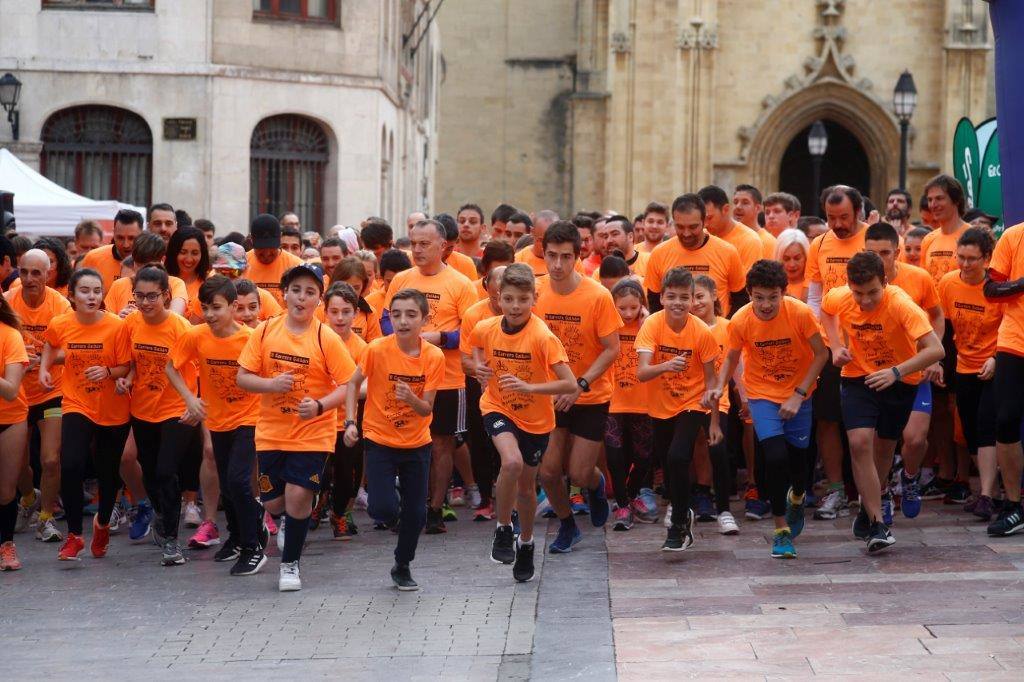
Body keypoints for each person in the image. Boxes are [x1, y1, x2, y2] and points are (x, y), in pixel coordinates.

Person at [238, 263, 356, 591]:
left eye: (310, 292)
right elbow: (242, 377)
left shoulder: (325, 337)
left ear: (319, 300)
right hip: (271, 430)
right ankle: (282, 522)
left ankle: (290, 565)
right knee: (275, 503)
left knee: (298, 494)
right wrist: (271, 385)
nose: (302, 298)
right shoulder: (264, 331)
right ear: (284, 294)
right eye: (296, 290)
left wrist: (319, 406)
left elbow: (349, 384)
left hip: (313, 432)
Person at [820, 252, 944, 552]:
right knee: (859, 442)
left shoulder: (901, 304)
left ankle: (868, 507)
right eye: (858, 293)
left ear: (885, 282)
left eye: (872, 292)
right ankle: (877, 523)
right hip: (858, 376)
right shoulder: (840, 296)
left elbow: (936, 350)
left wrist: (896, 372)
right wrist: (836, 346)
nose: (864, 301)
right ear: (849, 285)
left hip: (901, 381)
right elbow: (826, 311)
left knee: (885, 448)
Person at [710, 260, 828, 557]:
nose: (765, 305)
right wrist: (719, 386)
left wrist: (798, 394)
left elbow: (821, 354)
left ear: (783, 293)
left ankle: (798, 497)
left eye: (772, 297)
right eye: (759, 297)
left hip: (799, 394)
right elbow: (731, 359)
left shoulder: (800, 313)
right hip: (762, 394)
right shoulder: (740, 320)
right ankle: (781, 530)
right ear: (749, 293)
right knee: (774, 458)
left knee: (799, 466)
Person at [470, 263, 575, 581]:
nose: (515, 306)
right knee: (511, 462)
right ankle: (503, 528)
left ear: (534, 300)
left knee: (527, 490)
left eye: (523, 300)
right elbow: (474, 347)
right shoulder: (487, 328)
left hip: (537, 419)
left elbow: (569, 383)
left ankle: (526, 543)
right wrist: (479, 368)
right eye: (509, 299)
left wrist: (532, 388)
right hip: (497, 406)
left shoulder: (543, 336)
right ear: (499, 298)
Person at [342, 288, 445, 591]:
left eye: (411, 315)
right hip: (379, 438)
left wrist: (411, 398)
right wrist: (350, 422)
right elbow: (352, 384)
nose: (403, 321)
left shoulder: (433, 356)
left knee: (417, 514)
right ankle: (393, 498)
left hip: (417, 443)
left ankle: (402, 564)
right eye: (396, 315)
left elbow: (427, 409)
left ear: (424, 320)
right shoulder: (376, 349)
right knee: (382, 509)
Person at [166, 275, 267, 574]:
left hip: (250, 418)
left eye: (217, 308)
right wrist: (190, 400)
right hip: (217, 420)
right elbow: (171, 367)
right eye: (205, 308)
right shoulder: (197, 336)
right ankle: (236, 537)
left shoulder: (251, 338)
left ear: (234, 306)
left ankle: (253, 547)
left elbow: (265, 376)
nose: (209, 314)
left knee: (238, 480)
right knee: (227, 483)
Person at [384, 219, 477, 533]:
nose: (418, 250)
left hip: (447, 379)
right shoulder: (401, 280)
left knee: (441, 446)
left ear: (442, 246)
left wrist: (442, 338)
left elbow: (473, 331)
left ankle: (436, 509)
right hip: (404, 378)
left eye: (425, 244)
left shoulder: (461, 284)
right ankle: (412, 508)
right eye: (414, 244)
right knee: (408, 445)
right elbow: (386, 320)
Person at [535, 221, 621, 553]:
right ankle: (567, 525)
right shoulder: (538, 291)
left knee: (580, 473)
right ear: (543, 253)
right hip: (552, 394)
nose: (557, 265)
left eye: (565, 257)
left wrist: (580, 384)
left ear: (579, 255)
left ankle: (597, 487)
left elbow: (612, 348)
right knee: (549, 470)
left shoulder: (597, 296)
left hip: (590, 394)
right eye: (551, 256)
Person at [41, 268, 131, 561]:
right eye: (84, 291)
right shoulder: (61, 322)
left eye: (96, 291)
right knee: (71, 463)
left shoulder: (116, 326)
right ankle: (75, 535)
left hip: (112, 409)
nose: (91, 297)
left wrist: (107, 371)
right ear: (72, 296)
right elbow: (51, 342)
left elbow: (126, 367)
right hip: (77, 403)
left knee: (107, 473)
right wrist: (45, 367)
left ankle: (102, 523)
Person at [863, 222, 945, 520]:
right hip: (875, 371)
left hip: (914, 369)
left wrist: (931, 358)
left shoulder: (918, 278)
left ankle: (910, 479)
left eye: (885, 252)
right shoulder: (857, 282)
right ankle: (882, 491)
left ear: (896, 253)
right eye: (872, 253)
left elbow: (937, 317)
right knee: (877, 439)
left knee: (914, 438)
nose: (878, 259)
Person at [120, 266, 201, 566]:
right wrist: (126, 378)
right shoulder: (131, 324)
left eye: (152, 296)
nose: (144, 302)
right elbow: (131, 362)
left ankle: (171, 540)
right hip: (142, 408)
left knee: (167, 471)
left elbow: (201, 367)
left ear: (166, 295)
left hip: (176, 409)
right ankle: (161, 514)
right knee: (152, 473)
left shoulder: (181, 328)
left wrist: (196, 402)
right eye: (139, 296)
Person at [635, 267, 720, 551]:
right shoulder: (652, 325)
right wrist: (667, 366)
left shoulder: (701, 332)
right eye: (672, 296)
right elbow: (643, 372)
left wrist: (715, 422)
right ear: (661, 297)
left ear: (692, 301)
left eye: (684, 297)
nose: (678, 303)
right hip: (660, 405)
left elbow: (712, 382)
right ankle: (682, 508)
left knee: (677, 456)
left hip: (692, 402)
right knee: (670, 465)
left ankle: (680, 523)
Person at [805, 185, 869, 521]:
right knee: (828, 419)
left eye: (844, 217)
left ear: (858, 211)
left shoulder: (874, 241)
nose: (837, 224)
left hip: (870, 346)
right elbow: (815, 297)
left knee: (865, 424)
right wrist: (825, 339)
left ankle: (871, 490)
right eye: (831, 218)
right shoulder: (819, 244)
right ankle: (836, 490)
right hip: (832, 348)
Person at [937, 228, 1003, 522]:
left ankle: (987, 495)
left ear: (987, 258)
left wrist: (996, 358)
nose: (964, 264)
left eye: (972, 259)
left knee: (987, 426)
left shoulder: (998, 288)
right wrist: (939, 363)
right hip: (963, 365)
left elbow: (1012, 328)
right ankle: (992, 492)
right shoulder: (948, 283)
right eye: (960, 257)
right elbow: (945, 327)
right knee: (971, 431)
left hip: (992, 366)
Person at [7, 250, 71, 544]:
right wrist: (19, 360)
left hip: (51, 393)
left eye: (36, 273)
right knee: (18, 465)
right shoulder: (9, 301)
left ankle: (46, 518)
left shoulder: (60, 305)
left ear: (48, 275)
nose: (29, 279)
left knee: (50, 460)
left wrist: (43, 363)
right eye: (24, 272)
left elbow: (72, 349)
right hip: (16, 395)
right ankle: (28, 497)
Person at [981, 219, 1024, 536]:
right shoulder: (1014, 235)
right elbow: (991, 289)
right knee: (1006, 418)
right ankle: (1013, 505)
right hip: (1015, 342)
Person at [689, 276, 740, 534]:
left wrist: (744, 395)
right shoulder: (683, 328)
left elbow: (737, 364)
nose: (696, 302)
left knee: (718, 451)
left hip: (719, 402)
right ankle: (700, 497)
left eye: (701, 296)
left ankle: (725, 510)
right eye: (691, 297)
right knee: (693, 448)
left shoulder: (728, 327)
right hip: (687, 400)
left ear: (714, 297)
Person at [604, 280, 656, 528]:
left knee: (644, 457)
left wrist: (647, 322)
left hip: (643, 401)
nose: (627, 314)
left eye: (633, 308)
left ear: (641, 306)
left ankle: (633, 495)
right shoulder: (607, 326)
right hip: (613, 401)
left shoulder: (650, 326)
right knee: (614, 456)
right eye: (621, 308)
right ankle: (623, 505)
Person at [646, 193, 747, 317]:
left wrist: (725, 328)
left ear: (705, 221)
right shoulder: (659, 253)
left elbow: (741, 299)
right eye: (680, 227)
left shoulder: (727, 252)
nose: (686, 233)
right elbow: (654, 302)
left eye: (693, 227)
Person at [459, 265, 507, 521]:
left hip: (513, 387)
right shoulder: (473, 315)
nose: (500, 296)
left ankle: (508, 497)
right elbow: (464, 360)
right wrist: (478, 369)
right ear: (486, 286)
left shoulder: (525, 313)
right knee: (479, 442)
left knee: (508, 442)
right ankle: (486, 498)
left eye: (506, 290)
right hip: (478, 386)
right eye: (495, 289)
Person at [321, 282, 368, 540]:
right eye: (334, 311)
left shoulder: (361, 347)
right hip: (318, 420)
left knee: (346, 477)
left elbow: (369, 384)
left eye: (346, 311)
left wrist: (348, 389)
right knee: (320, 472)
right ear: (325, 312)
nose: (340, 318)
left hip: (348, 422)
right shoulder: (316, 338)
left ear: (355, 313)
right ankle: (317, 502)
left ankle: (339, 515)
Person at [0, 293, 28, 570]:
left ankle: (6, 545)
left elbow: (10, 390)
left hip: (10, 417)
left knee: (6, 492)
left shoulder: (10, 336)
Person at [104, 233, 189, 317]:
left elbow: (175, 316)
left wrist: (139, 316)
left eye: (149, 267)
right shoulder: (119, 285)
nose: (144, 272)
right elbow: (107, 322)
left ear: (162, 260)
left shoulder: (176, 284)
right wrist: (119, 319)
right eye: (139, 265)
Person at [699, 186, 763, 272]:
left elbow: (750, 283)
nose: (705, 224)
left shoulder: (750, 241)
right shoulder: (701, 237)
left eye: (709, 218)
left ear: (725, 209)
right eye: (702, 219)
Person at [246, 214, 305, 306]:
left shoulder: (297, 266)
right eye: (261, 248)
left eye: (272, 247)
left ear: (280, 238)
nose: (267, 253)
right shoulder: (241, 264)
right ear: (251, 240)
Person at [81, 209, 144, 291]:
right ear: (113, 233)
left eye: (131, 238)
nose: (126, 244)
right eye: (120, 238)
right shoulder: (93, 258)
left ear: (142, 234)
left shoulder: (152, 262)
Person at [328, 257, 382, 342]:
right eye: (344, 286)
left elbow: (374, 348)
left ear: (363, 286)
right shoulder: (321, 309)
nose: (350, 291)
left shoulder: (369, 313)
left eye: (356, 287)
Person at [166, 226, 211, 323]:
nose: (189, 259)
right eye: (183, 252)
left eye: (195, 253)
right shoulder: (161, 280)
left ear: (202, 255)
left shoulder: (210, 282)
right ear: (174, 252)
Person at [734, 184, 776, 258]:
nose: (738, 207)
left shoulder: (769, 242)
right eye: (735, 202)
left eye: (745, 202)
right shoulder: (726, 238)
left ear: (758, 208)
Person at [514, 210, 562, 276]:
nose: (546, 247)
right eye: (541, 240)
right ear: (532, 232)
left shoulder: (569, 259)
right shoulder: (519, 260)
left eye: (552, 241)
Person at [775, 229, 810, 301]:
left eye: (797, 258)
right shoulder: (770, 284)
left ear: (806, 256)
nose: (792, 264)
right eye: (786, 259)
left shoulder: (815, 284)